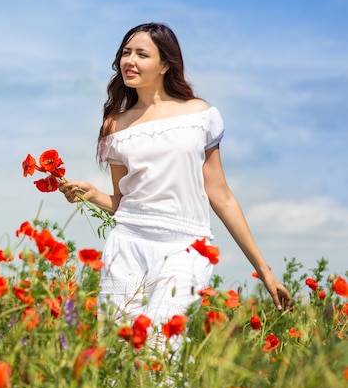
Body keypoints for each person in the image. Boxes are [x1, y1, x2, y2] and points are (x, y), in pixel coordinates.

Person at [59, 22, 291, 338]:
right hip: (126, 244)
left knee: (161, 346)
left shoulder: (199, 114)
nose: (130, 61)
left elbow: (220, 194)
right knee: (119, 348)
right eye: (126, 53)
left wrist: (265, 272)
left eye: (142, 54)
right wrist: (91, 193)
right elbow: (121, 203)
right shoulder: (115, 124)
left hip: (186, 245)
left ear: (165, 64)